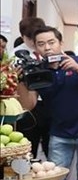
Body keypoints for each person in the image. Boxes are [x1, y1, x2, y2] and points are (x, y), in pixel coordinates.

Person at [17, 26, 78, 180]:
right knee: (55, 175)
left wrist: (77, 68)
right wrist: (21, 81)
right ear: (36, 47)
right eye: (41, 44)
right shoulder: (38, 70)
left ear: (60, 43)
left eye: (51, 42)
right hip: (60, 132)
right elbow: (29, 105)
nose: (47, 47)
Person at [12, 17, 51, 159]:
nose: (35, 42)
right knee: (29, 147)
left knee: (51, 147)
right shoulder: (16, 55)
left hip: (49, 103)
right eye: (30, 38)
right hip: (29, 106)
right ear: (23, 36)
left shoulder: (47, 50)